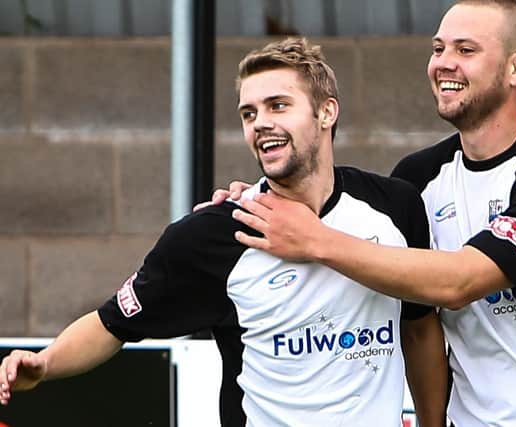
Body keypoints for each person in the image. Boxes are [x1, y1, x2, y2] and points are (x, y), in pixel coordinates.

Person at [215, 1, 516, 426]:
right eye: (438, 49)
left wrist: (315, 240)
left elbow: (461, 282)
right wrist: (258, 198)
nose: (443, 64)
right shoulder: (418, 178)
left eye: (465, 50)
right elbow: (352, 227)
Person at [0, 38, 447, 427]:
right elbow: (112, 323)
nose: (260, 124)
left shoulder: (395, 207)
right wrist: (45, 362)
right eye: (248, 113)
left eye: (278, 106)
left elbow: (421, 331)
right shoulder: (209, 237)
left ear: (327, 111)